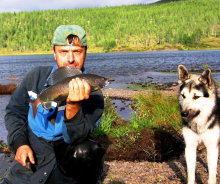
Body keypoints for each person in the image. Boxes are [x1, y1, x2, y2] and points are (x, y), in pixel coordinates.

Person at [2, 25, 105, 184]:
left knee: (88, 150)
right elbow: (14, 113)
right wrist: (20, 144)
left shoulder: (94, 96)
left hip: (66, 165)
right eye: (63, 52)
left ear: (85, 52)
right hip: (29, 166)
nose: (70, 59)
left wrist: (73, 108)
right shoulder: (35, 77)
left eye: (77, 51)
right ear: (54, 53)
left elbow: (76, 137)